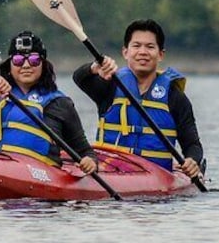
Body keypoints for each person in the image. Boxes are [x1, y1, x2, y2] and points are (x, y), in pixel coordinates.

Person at [72, 19, 204, 179]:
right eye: (136, 46)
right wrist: (94, 67)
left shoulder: (175, 97)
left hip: (156, 177)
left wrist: (192, 160)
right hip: (110, 170)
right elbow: (80, 78)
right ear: (125, 52)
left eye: (150, 47)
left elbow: (192, 144)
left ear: (161, 54)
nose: (143, 52)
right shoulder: (110, 86)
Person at [0, 31, 98, 173]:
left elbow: (85, 151)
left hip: (43, 178)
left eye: (34, 59)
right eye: (18, 60)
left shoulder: (60, 103)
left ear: (43, 64)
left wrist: (90, 162)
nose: (26, 65)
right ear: (9, 64)